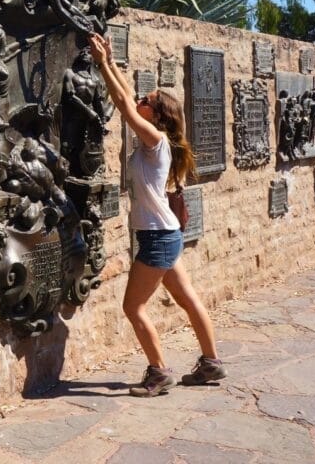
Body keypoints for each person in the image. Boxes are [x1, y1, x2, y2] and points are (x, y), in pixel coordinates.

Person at [88, 33, 226, 397]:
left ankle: (159, 372)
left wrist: (102, 65)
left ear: (158, 115)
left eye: (147, 102)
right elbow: (127, 98)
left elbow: (123, 106)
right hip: (166, 234)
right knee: (189, 299)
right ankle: (211, 363)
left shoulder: (155, 139)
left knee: (133, 307)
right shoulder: (159, 141)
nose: (140, 101)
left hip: (156, 237)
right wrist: (112, 62)